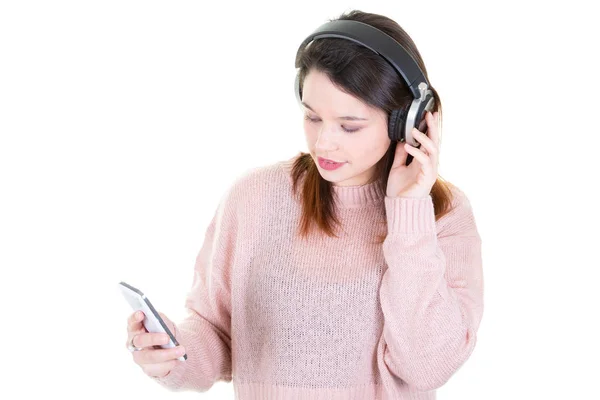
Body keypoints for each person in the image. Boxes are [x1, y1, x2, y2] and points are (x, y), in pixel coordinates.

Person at [125, 9, 484, 399]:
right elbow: (217, 334)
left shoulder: (442, 215)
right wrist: (175, 351)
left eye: (350, 125)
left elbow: (427, 366)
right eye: (312, 117)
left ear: (406, 122)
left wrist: (408, 212)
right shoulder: (254, 198)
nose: (324, 143)